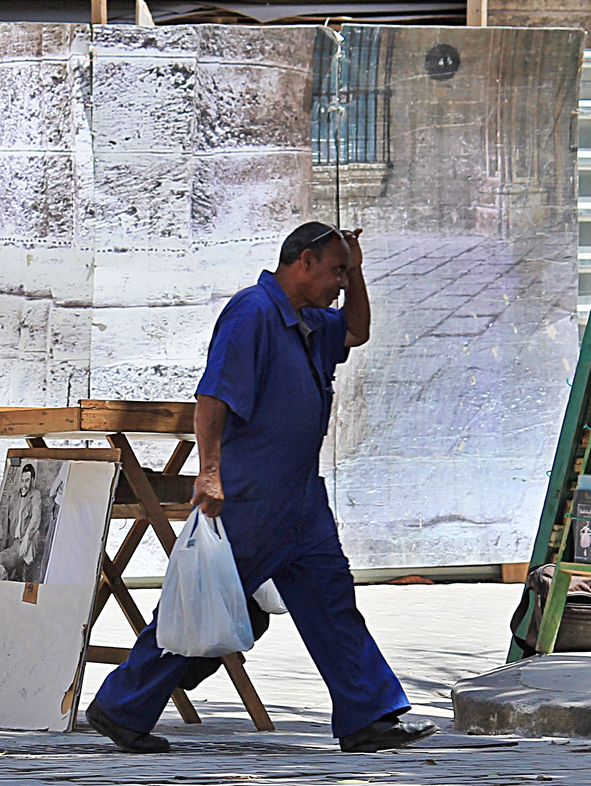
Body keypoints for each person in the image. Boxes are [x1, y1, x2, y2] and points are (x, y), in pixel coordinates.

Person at [83, 222, 437, 754]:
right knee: (204, 604)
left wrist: (359, 270)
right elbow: (212, 399)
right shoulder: (254, 311)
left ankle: (368, 714)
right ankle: (121, 706)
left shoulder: (307, 320)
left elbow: (356, 331)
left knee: (332, 602)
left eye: (347, 271)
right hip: (254, 495)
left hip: (300, 498)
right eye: (337, 270)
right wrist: (209, 473)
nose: (341, 282)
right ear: (306, 260)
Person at [0, 461, 45, 581]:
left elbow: (36, 518)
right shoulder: (14, 497)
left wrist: (26, 539)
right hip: (14, 543)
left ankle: (5, 587)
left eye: (27, 480)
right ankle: (7, 585)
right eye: (23, 480)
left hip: (25, 544)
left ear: (32, 481)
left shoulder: (35, 495)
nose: (24, 484)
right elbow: (5, 522)